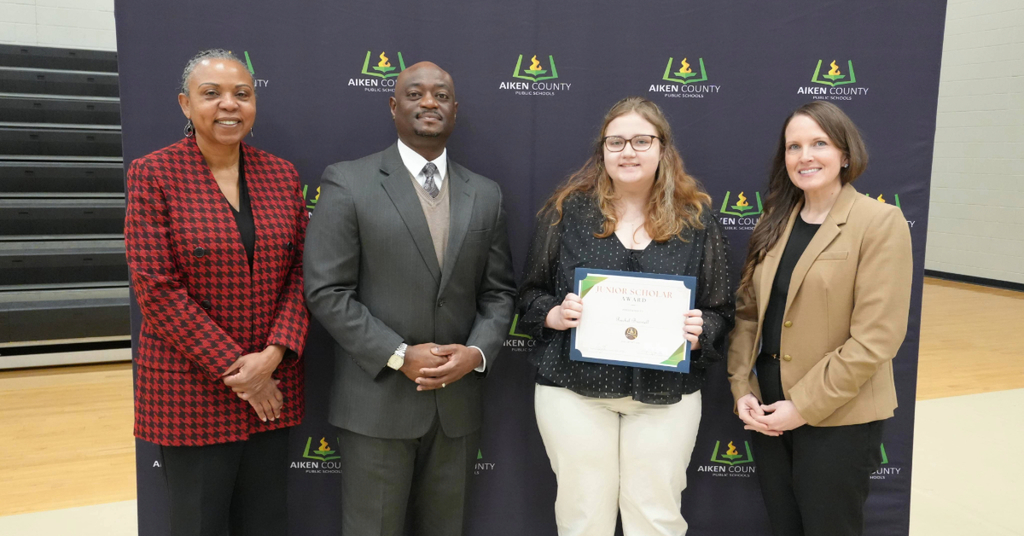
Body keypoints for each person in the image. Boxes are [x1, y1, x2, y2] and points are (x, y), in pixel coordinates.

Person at [303, 61, 516, 536]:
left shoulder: (486, 194)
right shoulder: (348, 181)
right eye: (415, 94)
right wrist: (398, 354)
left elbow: (499, 292)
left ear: (455, 109)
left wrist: (476, 354)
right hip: (375, 406)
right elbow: (326, 291)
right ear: (393, 105)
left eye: (441, 95)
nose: (429, 102)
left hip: (457, 408)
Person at [516, 96, 735, 536]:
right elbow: (530, 294)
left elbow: (720, 310)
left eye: (641, 141)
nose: (627, 152)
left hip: (665, 395)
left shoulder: (696, 220)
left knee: (656, 518)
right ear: (602, 151)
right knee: (583, 518)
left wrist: (701, 331)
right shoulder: (567, 211)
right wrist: (554, 314)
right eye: (615, 142)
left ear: (662, 148)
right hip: (573, 390)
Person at [124, 49, 309, 536]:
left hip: (272, 387)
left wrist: (273, 355)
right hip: (192, 390)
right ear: (185, 104)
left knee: (267, 523)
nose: (229, 104)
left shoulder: (281, 174)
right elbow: (156, 288)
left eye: (242, 94)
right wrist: (240, 371)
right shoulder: (154, 174)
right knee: (198, 525)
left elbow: (302, 272)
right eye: (212, 94)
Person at [727, 101, 912, 536]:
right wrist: (742, 387)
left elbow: (876, 339)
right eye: (794, 147)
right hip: (769, 410)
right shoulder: (774, 221)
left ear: (845, 154)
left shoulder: (879, 222)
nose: (804, 156)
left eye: (819, 144)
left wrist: (804, 407)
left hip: (838, 416)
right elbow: (748, 314)